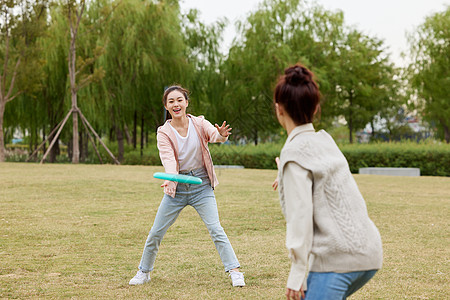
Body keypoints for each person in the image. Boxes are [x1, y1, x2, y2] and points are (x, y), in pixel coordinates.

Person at [272, 64, 382, 300]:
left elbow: (300, 217)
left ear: (278, 109)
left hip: (338, 259)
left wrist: (297, 273)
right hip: (369, 252)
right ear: (316, 107)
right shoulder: (324, 141)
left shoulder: (293, 153)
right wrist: (285, 172)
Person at [129, 85, 245, 287]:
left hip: (201, 186)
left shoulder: (199, 123)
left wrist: (222, 135)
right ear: (166, 106)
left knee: (216, 229)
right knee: (156, 232)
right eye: (171, 101)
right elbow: (169, 160)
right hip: (177, 188)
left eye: (179, 100)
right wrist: (170, 178)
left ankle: (234, 271)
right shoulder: (163, 132)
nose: (176, 104)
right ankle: (144, 272)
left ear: (186, 103)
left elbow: (215, 136)